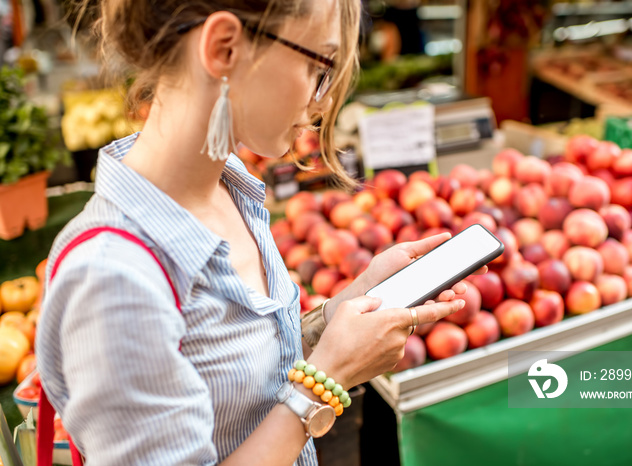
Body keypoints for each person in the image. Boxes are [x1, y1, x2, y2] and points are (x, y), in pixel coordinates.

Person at [36, 1, 484, 464]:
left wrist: (336, 313)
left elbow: (241, 375)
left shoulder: (228, 185)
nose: (325, 99)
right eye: (319, 67)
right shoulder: (112, 278)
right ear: (224, 48)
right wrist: (325, 380)